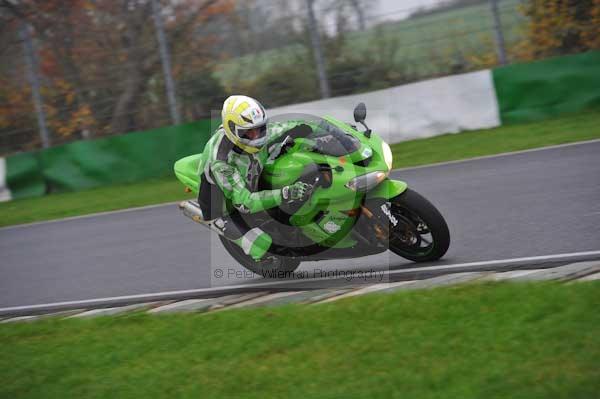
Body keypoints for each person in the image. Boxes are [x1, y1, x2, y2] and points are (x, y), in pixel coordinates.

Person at [196, 95, 314, 261]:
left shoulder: (259, 131)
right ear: (232, 129)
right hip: (220, 197)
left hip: (251, 173)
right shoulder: (221, 160)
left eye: (260, 129)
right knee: (262, 244)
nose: (256, 136)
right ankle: (228, 230)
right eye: (249, 132)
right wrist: (286, 194)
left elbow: (300, 126)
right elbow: (245, 203)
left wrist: (333, 132)